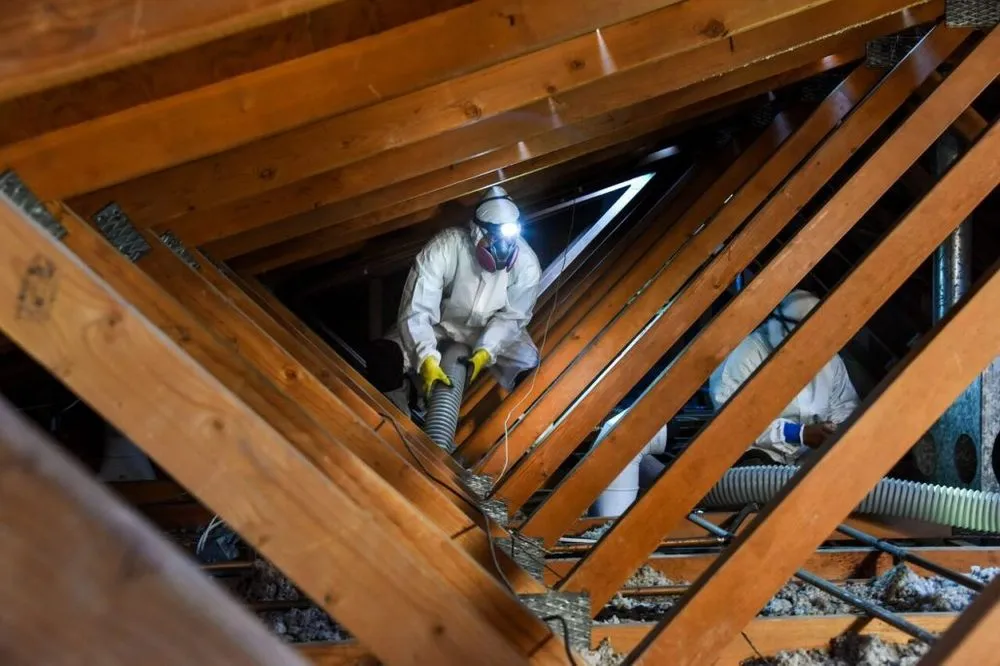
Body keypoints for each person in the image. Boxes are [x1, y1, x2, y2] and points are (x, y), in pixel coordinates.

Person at [370, 186, 542, 415]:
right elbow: (416, 310)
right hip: (440, 324)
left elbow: (512, 318)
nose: (503, 249)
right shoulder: (445, 248)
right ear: (477, 232)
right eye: (494, 238)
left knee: (531, 371)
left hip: (489, 328)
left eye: (509, 239)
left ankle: (519, 432)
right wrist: (426, 358)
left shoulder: (526, 265)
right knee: (385, 358)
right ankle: (398, 422)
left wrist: (487, 349)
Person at [709, 289, 860, 466]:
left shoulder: (830, 361)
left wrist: (835, 430)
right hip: (757, 462)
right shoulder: (743, 357)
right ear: (782, 330)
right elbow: (734, 421)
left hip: (809, 462)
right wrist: (798, 433)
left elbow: (845, 407)